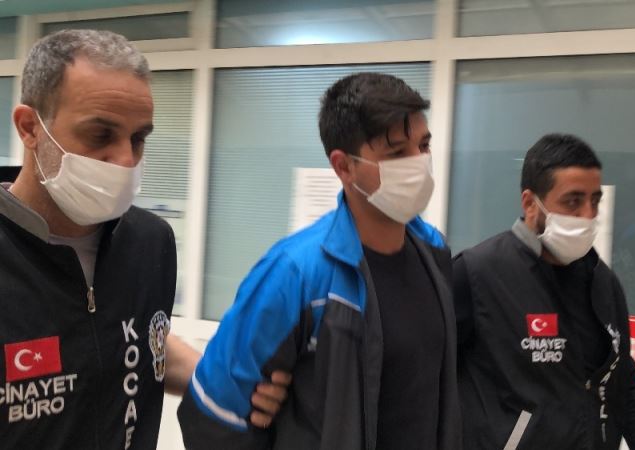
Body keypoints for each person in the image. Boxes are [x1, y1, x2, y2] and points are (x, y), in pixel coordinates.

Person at [0, 29, 285, 449]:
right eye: (100, 135)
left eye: (138, 138)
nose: (125, 160)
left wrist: (221, 379)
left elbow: (134, 336)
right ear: (30, 128)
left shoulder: (150, 243)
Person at [178, 72, 461, 450]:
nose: (419, 163)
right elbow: (214, 411)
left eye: (423, 146)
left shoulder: (433, 251)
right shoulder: (295, 272)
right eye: (396, 153)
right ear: (344, 166)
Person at [453, 133, 635, 450]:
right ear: (530, 203)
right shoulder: (477, 274)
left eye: (594, 201)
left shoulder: (603, 282)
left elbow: (623, 380)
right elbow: (426, 377)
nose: (587, 215)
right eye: (572, 201)